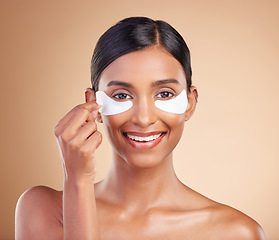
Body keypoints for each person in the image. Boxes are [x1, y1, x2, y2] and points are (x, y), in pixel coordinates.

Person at [15, 17, 265, 240]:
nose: (144, 118)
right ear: (94, 104)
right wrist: (77, 181)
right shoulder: (44, 209)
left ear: (190, 102)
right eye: (122, 95)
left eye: (165, 93)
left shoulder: (236, 233)